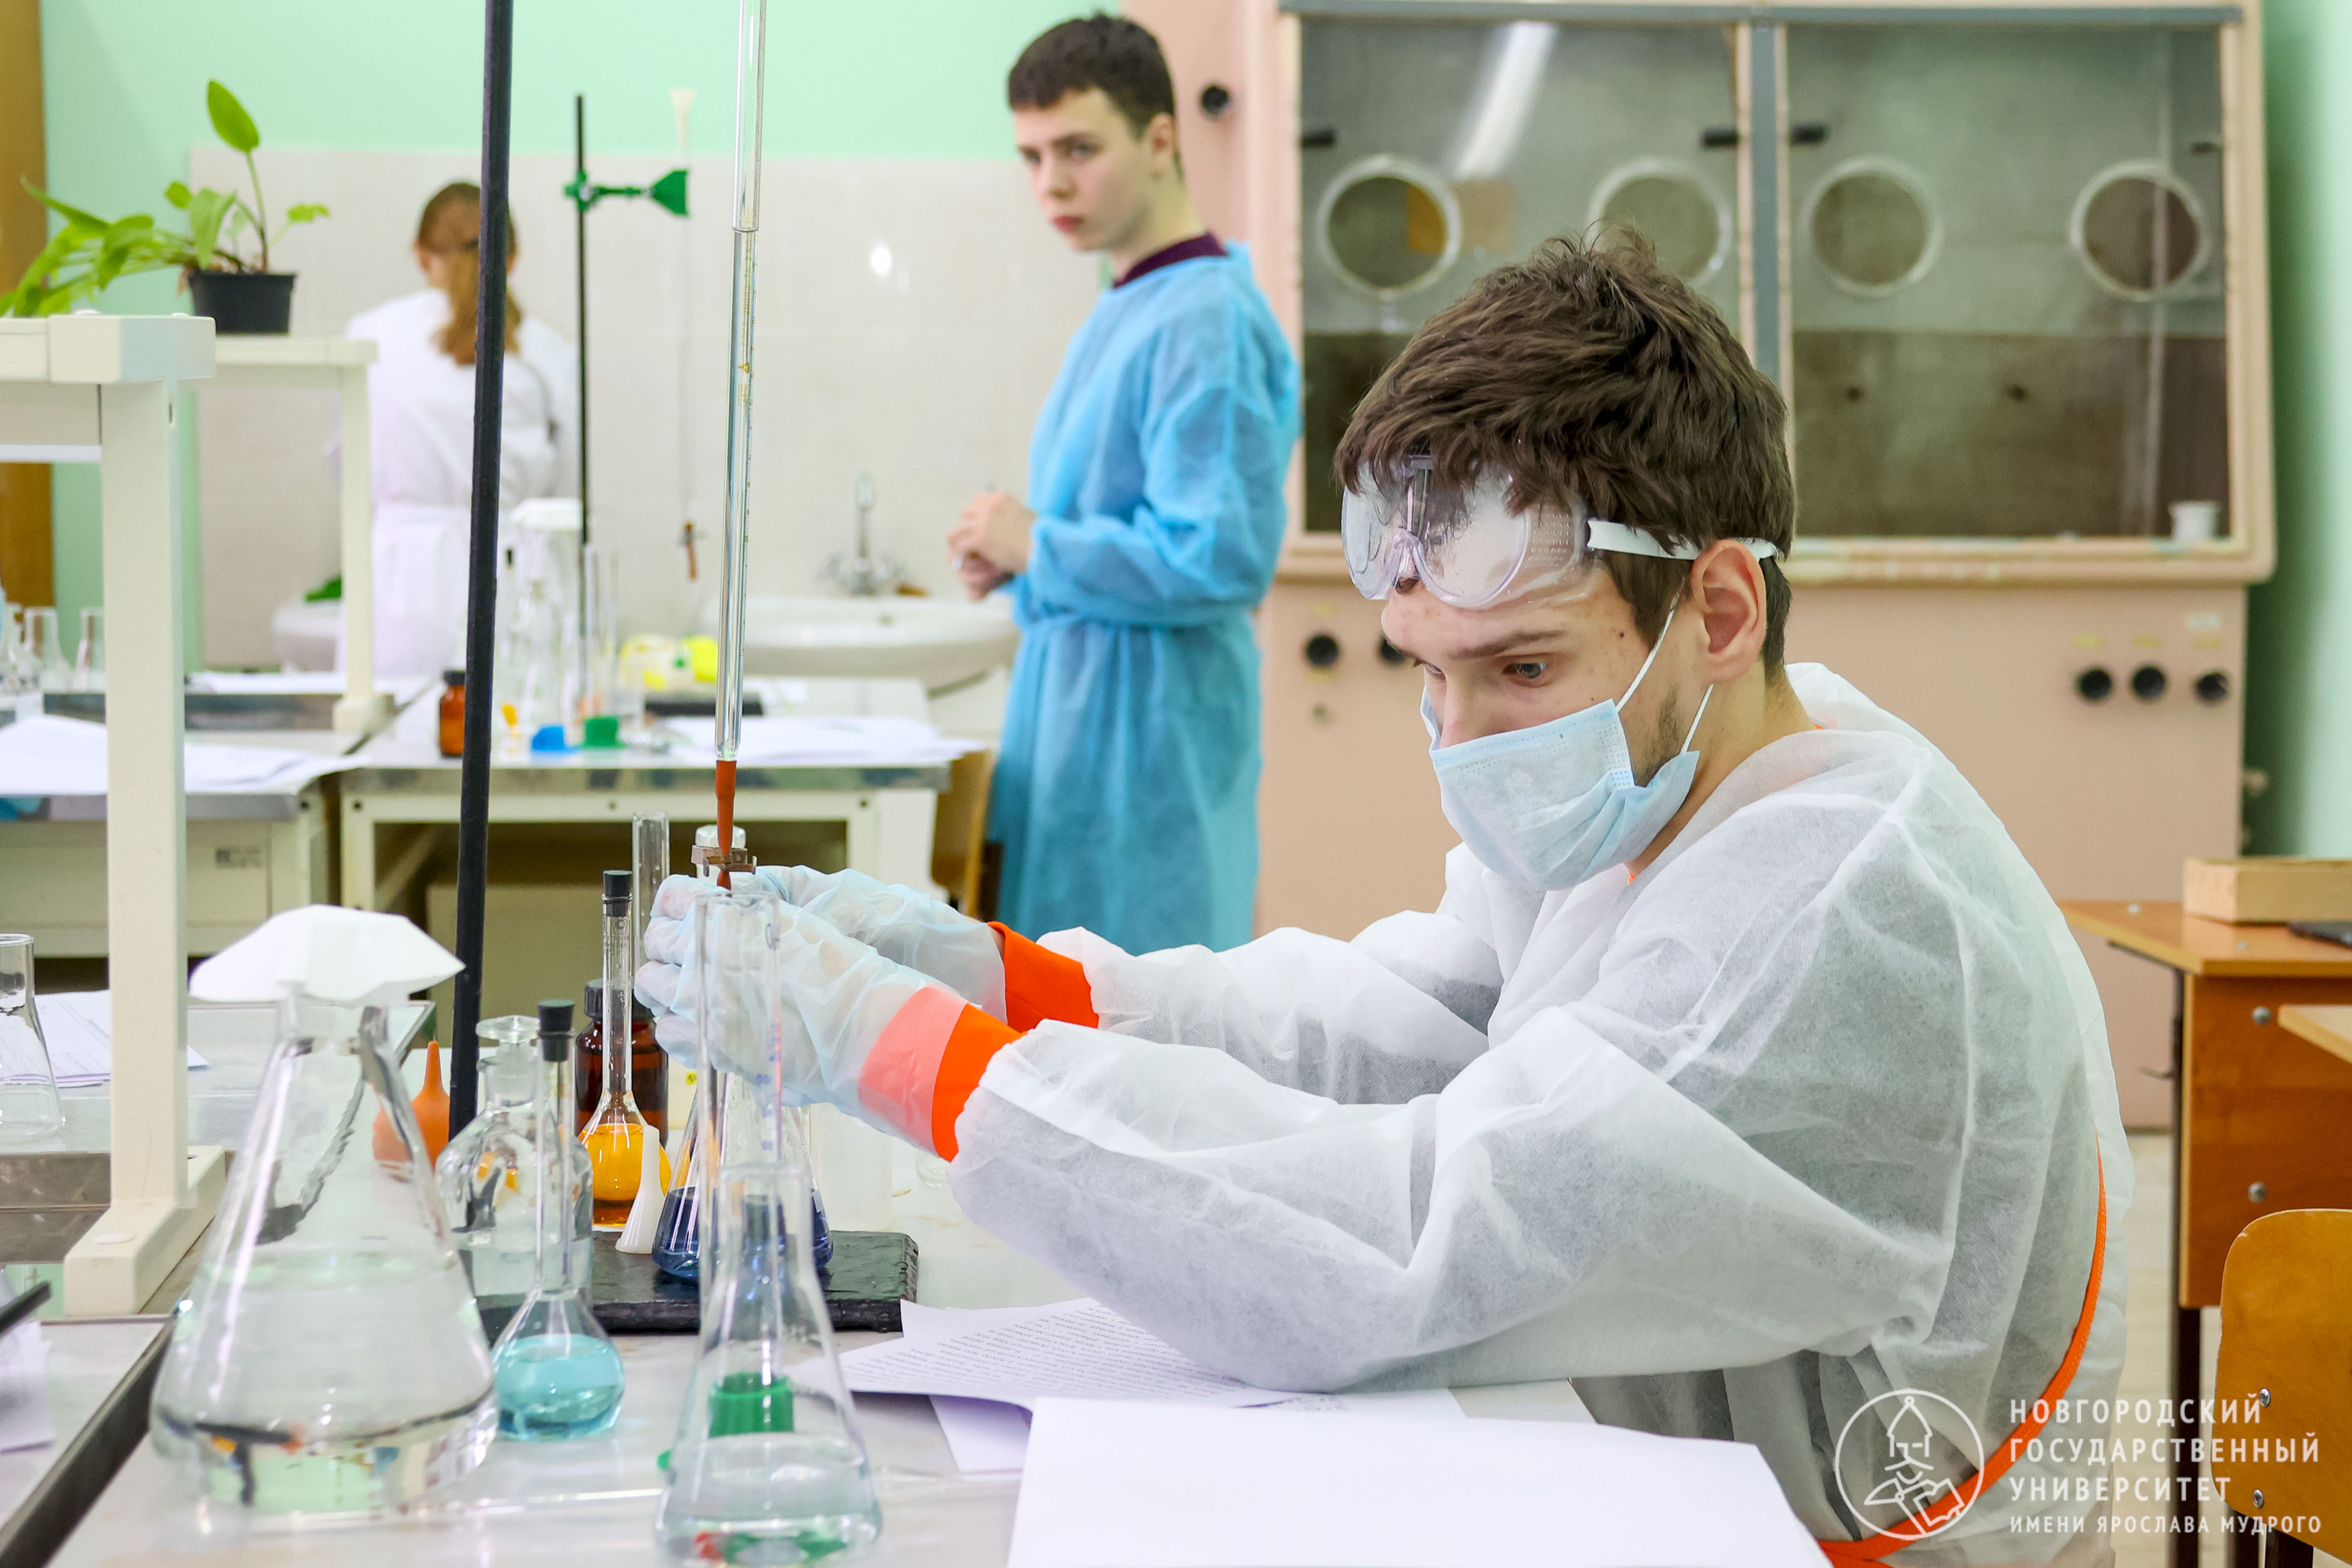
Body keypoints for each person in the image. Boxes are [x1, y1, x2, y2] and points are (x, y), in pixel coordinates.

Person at [642, 236, 2129, 1558]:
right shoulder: (1686, 764)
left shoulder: (1834, 910)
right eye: (1427, 670)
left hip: (1824, 1541)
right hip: (1651, 1464)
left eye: (1521, 666)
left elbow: (1416, 1236)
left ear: (1719, 610)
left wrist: (910, 1052)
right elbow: (1409, 1018)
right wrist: (1005, 980)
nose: (1462, 735)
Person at [945, 16, 1298, 953]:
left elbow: (1218, 558)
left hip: (1147, 749)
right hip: (1088, 732)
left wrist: (1037, 543)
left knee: (1138, 1012)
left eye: (1078, 149)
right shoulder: (1133, 302)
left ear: (1160, 139)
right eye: (1031, 157)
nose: (1051, 184)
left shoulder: (1203, 317)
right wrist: (1022, 557)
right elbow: (1127, 522)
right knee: (1066, 1003)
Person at [344, 182, 578, 678]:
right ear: (512, 259)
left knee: (392, 725)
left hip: (399, 588)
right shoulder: (545, 350)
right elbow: (569, 481)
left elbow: (347, 462)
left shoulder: (370, 335)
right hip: (514, 583)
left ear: (420, 255)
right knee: (513, 722)